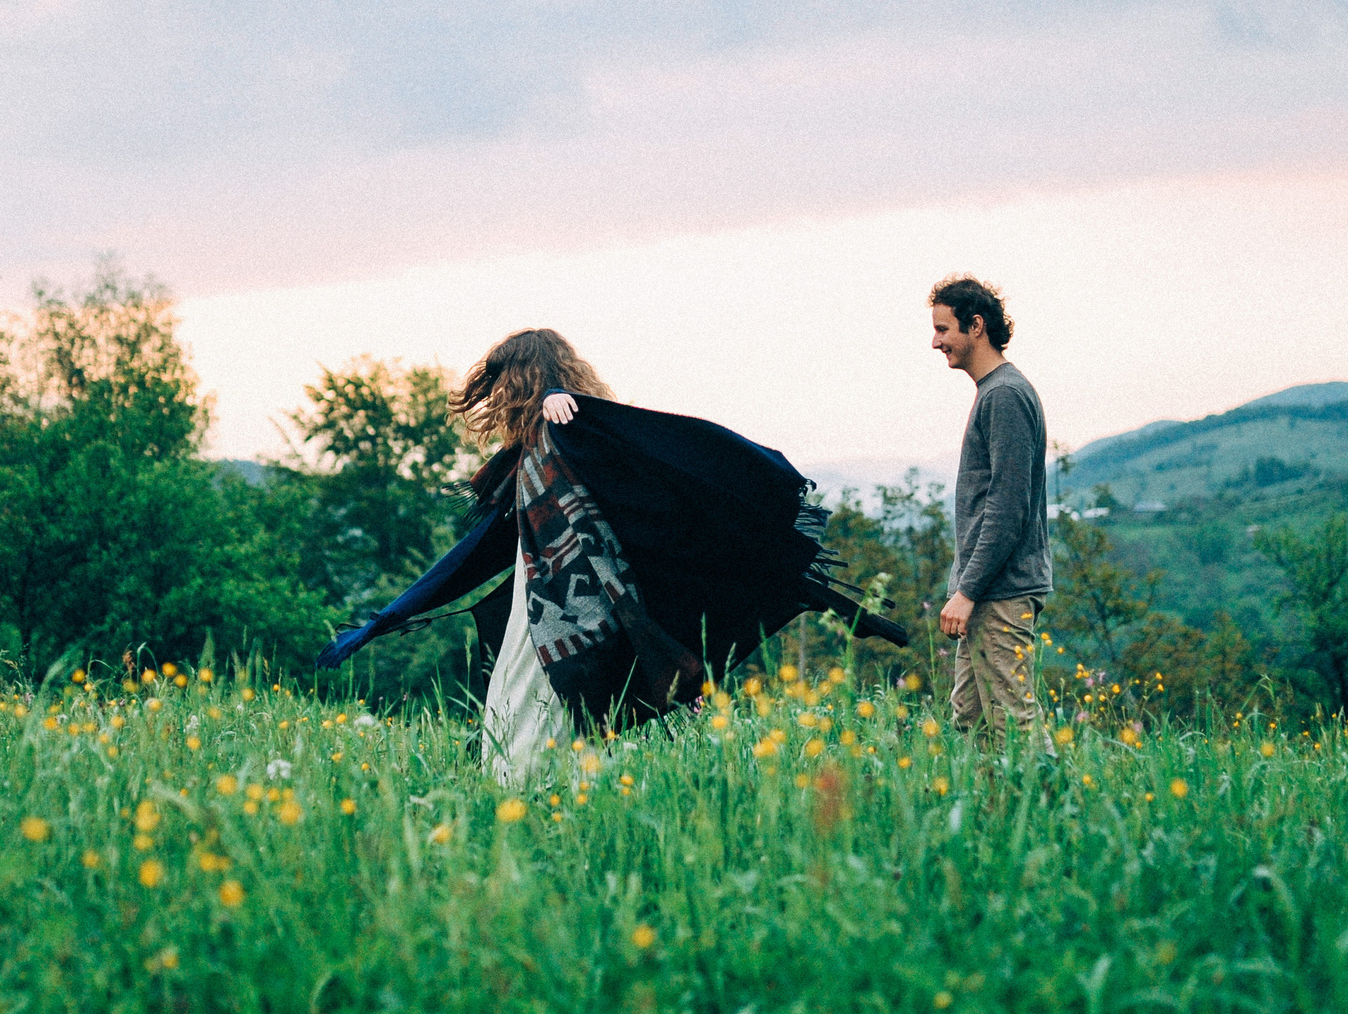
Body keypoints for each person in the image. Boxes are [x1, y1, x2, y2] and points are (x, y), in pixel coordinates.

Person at [315, 328, 907, 785]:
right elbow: (476, 553)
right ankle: (535, 799)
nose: (494, 398)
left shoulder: (570, 431)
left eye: (503, 384)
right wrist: (389, 617)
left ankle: (532, 803)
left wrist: (564, 402)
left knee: (540, 709)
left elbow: (669, 455)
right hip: (545, 608)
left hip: (572, 610)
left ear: (522, 380)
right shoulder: (532, 452)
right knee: (526, 706)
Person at [928, 276, 1050, 742]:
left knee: (1012, 726)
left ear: (975, 326)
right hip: (987, 591)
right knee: (971, 721)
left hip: (1001, 593)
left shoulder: (1004, 395)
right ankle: (993, 796)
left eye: (943, 329)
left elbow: (1007, 507)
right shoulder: (995, 391)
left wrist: (968, 590)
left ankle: (1042, 793)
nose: (936, 342)